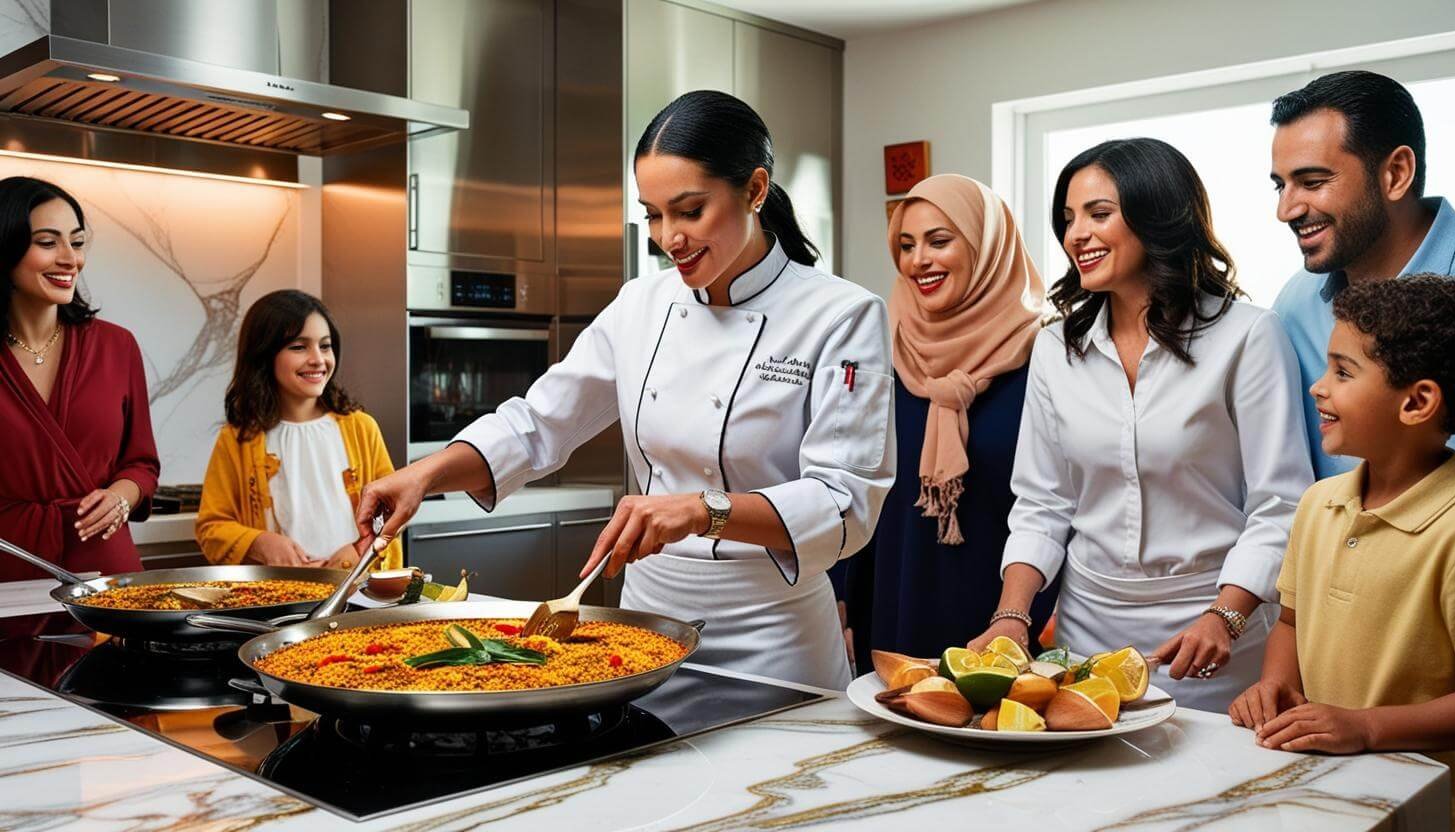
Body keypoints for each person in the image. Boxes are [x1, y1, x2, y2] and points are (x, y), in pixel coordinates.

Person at [355, 91, 895, 691]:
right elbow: (540, 423)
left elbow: (845, 503)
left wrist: (701, 509)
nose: (670, 238)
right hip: (643, 632)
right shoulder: (642, 302)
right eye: (654, 214)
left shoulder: (841, 315)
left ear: (756, 189)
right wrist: (424, 475)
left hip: (774, 636)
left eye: (690, 211)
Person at [967, 139, 1315, 711]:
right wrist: (1012, 617)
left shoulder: (1249, 336)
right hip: (1087, 629)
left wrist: (1224, 616)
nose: (1076, 233)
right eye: (1068, 218)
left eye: (1099, 214)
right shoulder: (1056, 347)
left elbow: (1280, 503)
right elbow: (1042, 502)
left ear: (1158, 216)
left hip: (1212, 635)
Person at [1231, 274, 1455, 830]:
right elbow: (1290, 623)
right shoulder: (1317, 505)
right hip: (1325, 800)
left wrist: (1364, 727)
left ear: (1417, 402)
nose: (1318, 387)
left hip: (1427, 812)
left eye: (1342, 372)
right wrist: (1276, 686)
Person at [845, 174, 1058, 667]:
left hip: (1013, 614)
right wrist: (840, 599)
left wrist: (1033, 614)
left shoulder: (1046, 356)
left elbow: (1060, 502)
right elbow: (852, 482)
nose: (918, 260)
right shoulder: (881, 350)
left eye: (939, 241)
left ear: (989, 248)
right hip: (892, 603)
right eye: (905, 245)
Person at [1269, 70, 1455, 478]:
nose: (1286, 210)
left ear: (1396, 173)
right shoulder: (1293, 308)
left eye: (1312, 182)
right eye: (1281, 186)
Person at [0, 176, 158, 581]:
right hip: (9, 565)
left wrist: (121, 498)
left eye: (77, 241)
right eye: (48, 243)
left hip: (103, 568)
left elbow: (141, 463)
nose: (71, 258)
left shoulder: (116, 346)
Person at [195, 290, 402, 570]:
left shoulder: (361, 428)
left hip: (359, 594)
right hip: (277, 600)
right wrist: (259, 543)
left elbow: (392, 512)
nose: (318, 359)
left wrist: (359, 550)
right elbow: (211, 528)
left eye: (325, 346)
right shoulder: (237, 440)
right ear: (264, 355)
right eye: (299, 347)